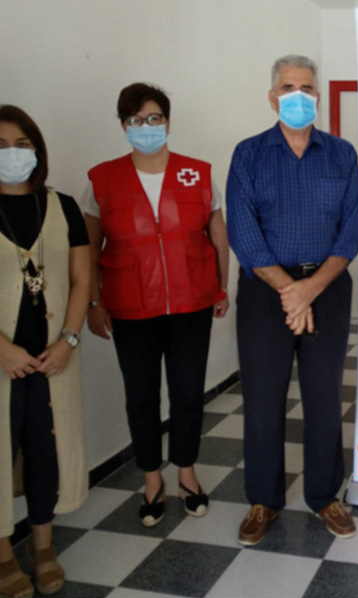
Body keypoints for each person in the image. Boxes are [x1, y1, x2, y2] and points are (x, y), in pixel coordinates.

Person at [227, 54, 358, 545]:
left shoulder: (342, 154)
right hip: (267, 294)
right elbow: (243, 233)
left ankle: (326, 496)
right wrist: (290, 291)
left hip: (324, 288)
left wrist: (308, 290)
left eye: (306, 88)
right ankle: (264, 499)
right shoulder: (248, 155)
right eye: (288, 87)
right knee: (263, 399)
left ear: (318, 98)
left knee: (325, 397)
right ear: (271, 97)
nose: (298, 96)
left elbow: (351, 232)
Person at [83, 83, 229, 527]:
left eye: (154, 118)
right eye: (135, 120)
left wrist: (221, 289)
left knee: (187, 393)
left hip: (191, 305)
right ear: (123, 125)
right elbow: (88, 249)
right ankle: (151, 478)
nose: (145, 127)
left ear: (167, 121)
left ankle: (186, 472)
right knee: (141, 397)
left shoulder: (198, 173)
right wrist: (93, 302)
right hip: (130, 310)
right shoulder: (102, 179)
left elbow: (217, 236)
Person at [0, 105, 90, 598]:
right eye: (0, 147)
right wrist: (3, 351)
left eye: (21, 144)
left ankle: (42, 546)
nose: (11, 155)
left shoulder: (62, 206)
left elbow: (81, 278)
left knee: (44, 450)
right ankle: (2, 557)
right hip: (3, 360)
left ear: (36, 150)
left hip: (53, 357)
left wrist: (69, 340)